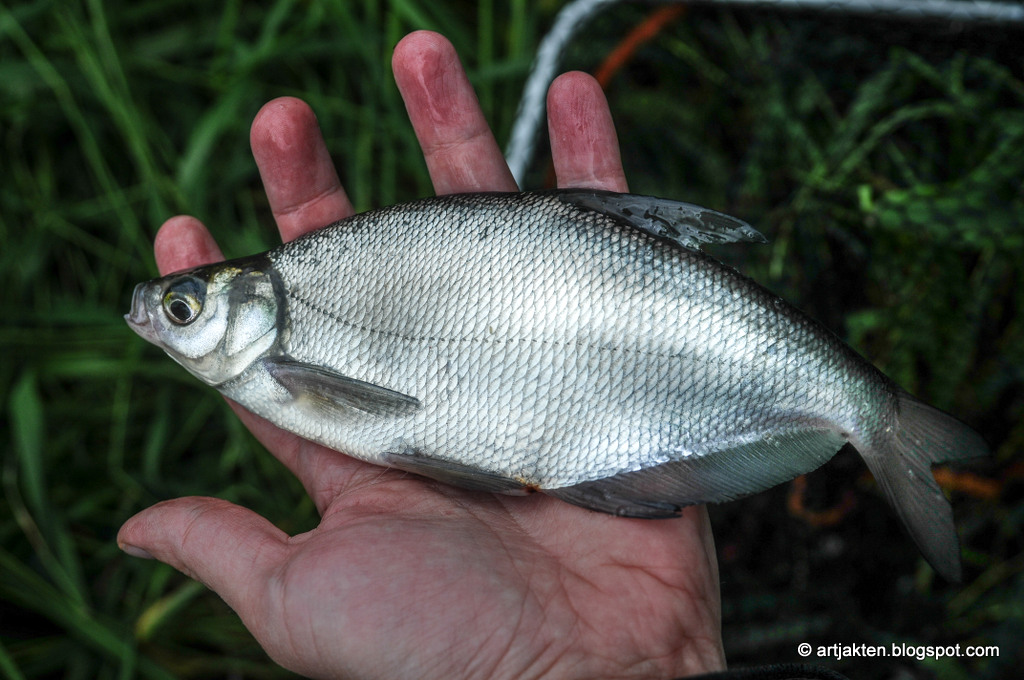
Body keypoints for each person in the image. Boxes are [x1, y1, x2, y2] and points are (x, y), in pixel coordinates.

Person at [118, 30, 724, 680]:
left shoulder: (281, 366)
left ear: (255, 303)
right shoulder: (279, 348)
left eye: (182, 307)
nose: (162, 317)